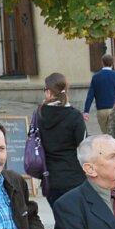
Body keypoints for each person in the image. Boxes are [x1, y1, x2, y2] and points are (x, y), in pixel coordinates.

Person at [38, 72, 87, 207]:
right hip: (74, 177)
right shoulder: (75, 115)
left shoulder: (40, 114)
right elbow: (84, 145)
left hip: (50, 177)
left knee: (60, 219)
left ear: (48, 91)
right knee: (76, 221)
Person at [83, 54, 115, 134]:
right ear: (112, 63)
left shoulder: (96, 77)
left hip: (101, 110)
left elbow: (90, 95)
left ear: (102, 63)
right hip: (114, 109)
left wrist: (86, 111)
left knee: (106, 134)